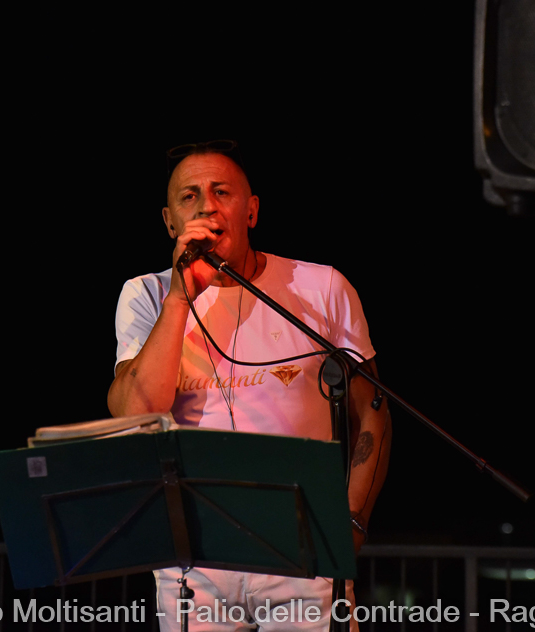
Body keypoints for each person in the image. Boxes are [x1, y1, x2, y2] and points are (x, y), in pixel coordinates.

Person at [108, 141, 391, 631]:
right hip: (194, 555)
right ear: (170, 222)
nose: (207, 206)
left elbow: (373, 409)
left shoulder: (320, 287)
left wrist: (352, 521)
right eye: (190, 196)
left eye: (222, 192)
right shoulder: (147, 295)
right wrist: (179, 299)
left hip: (303, 546)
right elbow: (136, 411)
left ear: (252, 210)